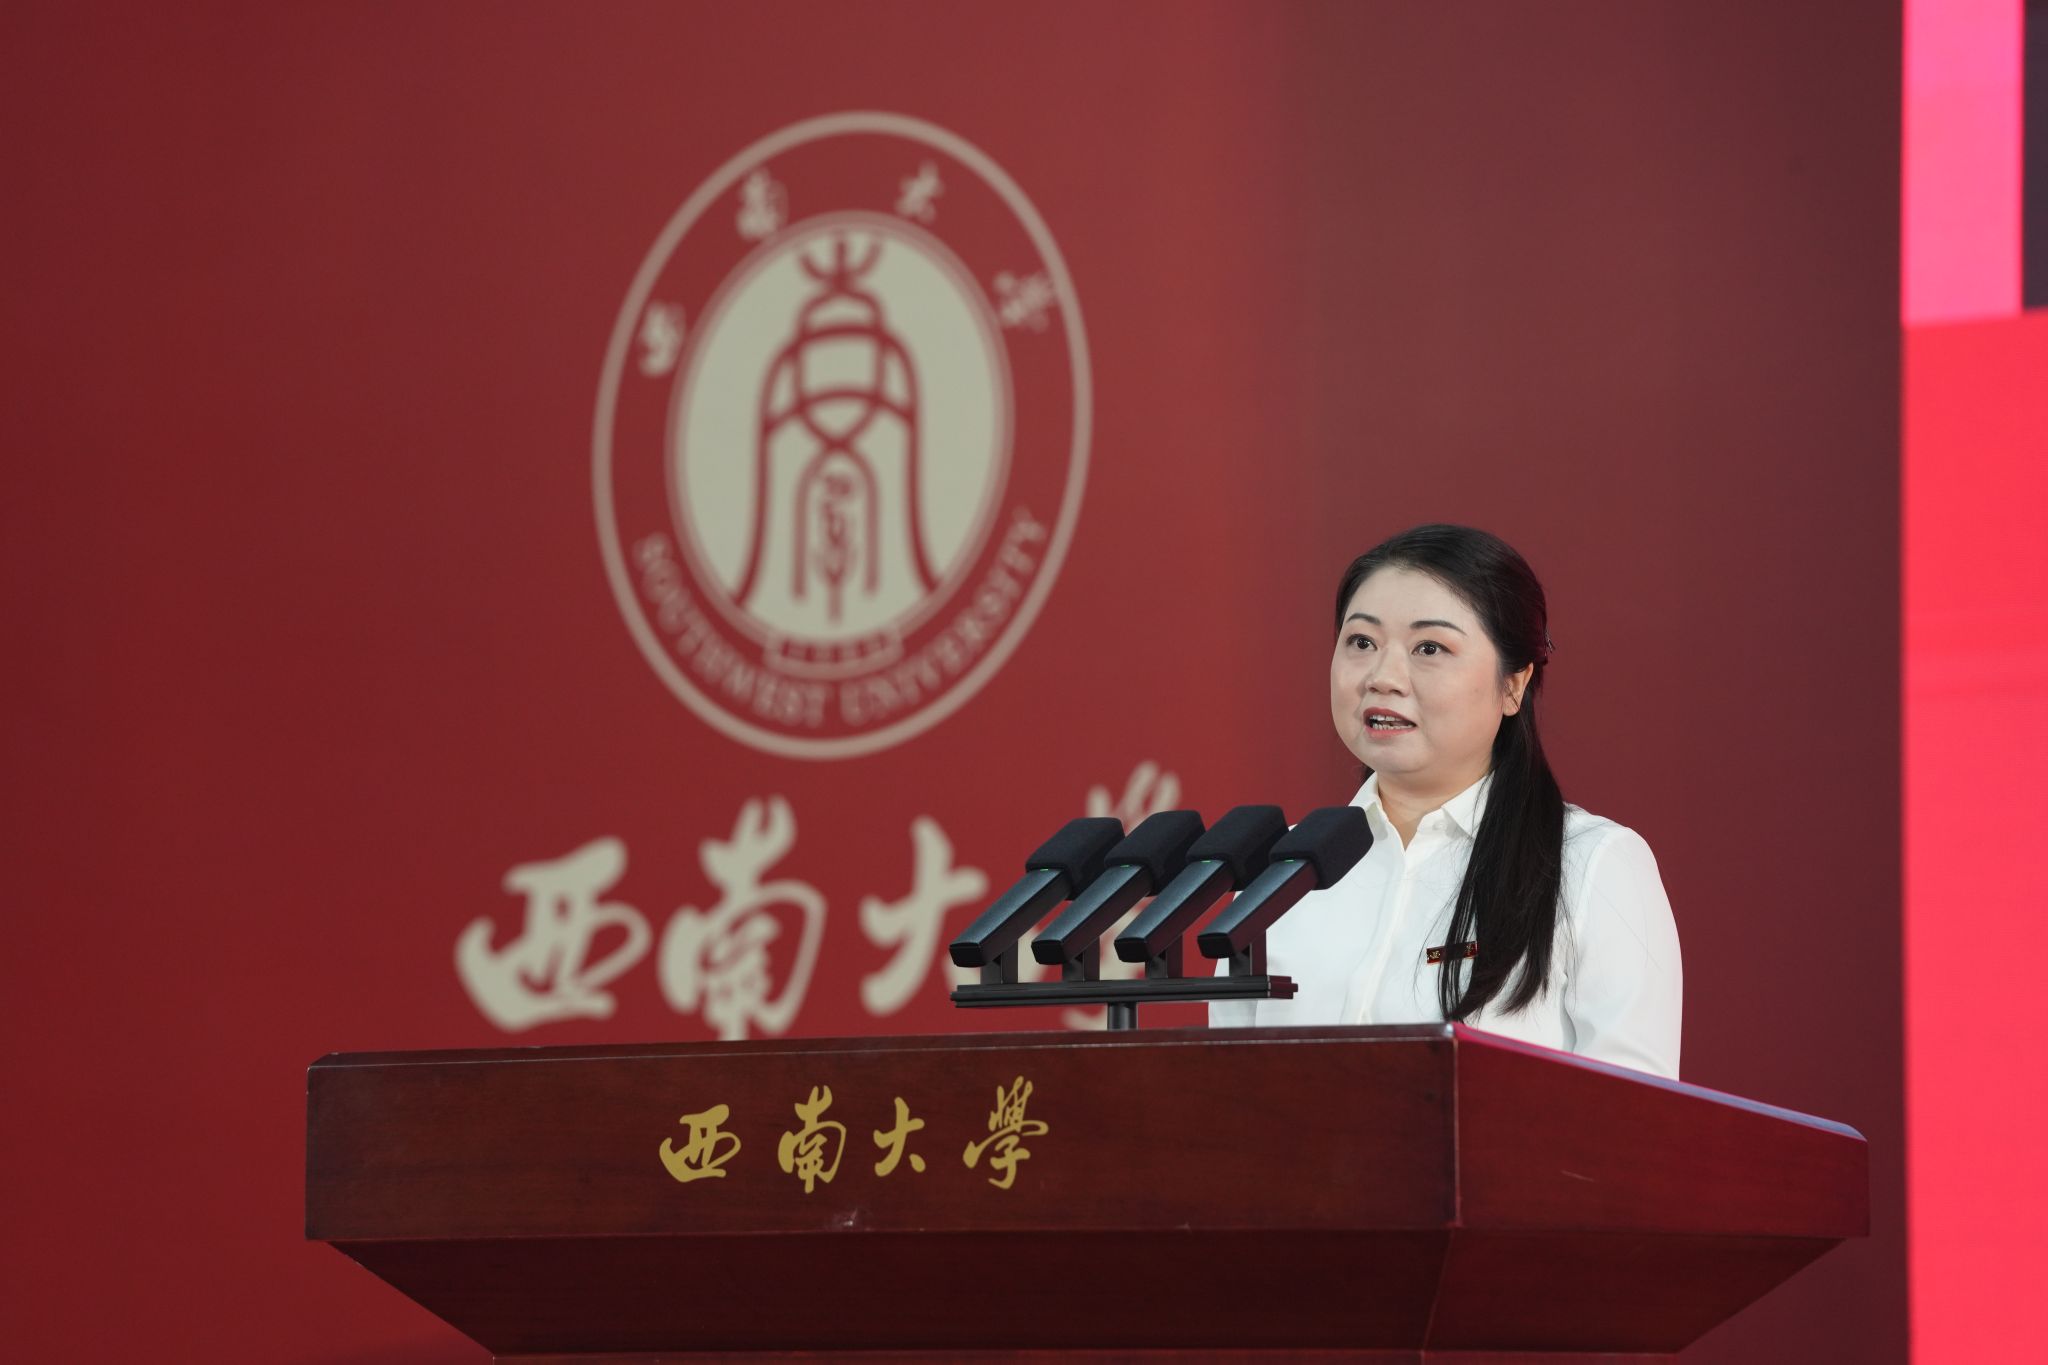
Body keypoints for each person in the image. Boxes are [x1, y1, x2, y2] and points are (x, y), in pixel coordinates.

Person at [1209, 524, 1682, 1079]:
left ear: (1514, 685)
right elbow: (1225, 1091)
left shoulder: (1591, 865)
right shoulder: (1281, 871)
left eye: (1429, 648)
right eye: (1361, 642)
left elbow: (1635, 1115)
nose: (1383, 678)